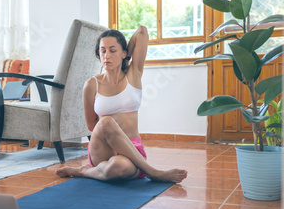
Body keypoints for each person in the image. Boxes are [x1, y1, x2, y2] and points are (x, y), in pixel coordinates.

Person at [56, 26, 187, 183]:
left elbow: (142, 32)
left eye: (113, 50)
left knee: (119, 168)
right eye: (103, 51)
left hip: (132, 149)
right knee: (106, 121)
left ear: (124, 53)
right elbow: (92, 126)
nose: (107, 56)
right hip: (102, 147)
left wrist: (127, 54)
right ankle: (153, 172)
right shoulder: (91, 84)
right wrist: (111, 128)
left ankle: (85, 172)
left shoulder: (134, 75)